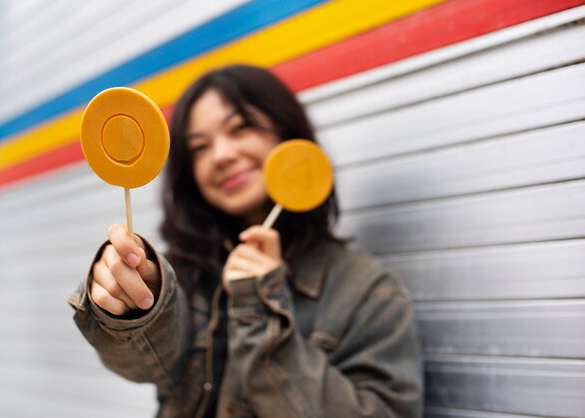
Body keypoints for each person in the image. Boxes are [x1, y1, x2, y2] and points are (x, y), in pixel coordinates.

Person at [69, 64, 423, 418]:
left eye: (240, 128)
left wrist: (260, 304)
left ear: (286, 132)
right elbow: (145, 364)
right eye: (200, 147)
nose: (222, 155)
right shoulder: (183, 277)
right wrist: (134, 307)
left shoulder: (367, 290)